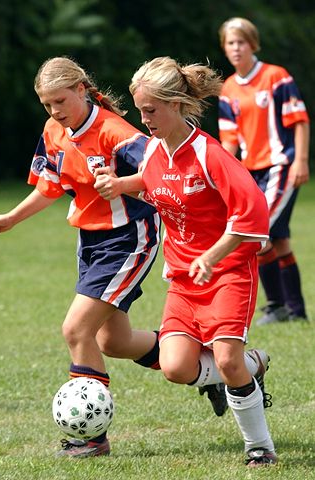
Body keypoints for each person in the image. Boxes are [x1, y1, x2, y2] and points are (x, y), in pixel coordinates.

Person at [94, 56, 277, 467]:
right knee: (176, 366)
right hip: (183, 279)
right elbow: (155, 181)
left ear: (176, 105)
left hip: (227, 274)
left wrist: (213, 256)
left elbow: (253, 213)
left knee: (225, 360)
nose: (144, 120)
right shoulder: (157, 149)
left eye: (151, 110)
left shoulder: (210, 155)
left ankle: (259, 448)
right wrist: (119, 184)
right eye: (140, 110)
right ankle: (253, 365)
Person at [0, 56, 164, 458]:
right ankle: (208, 368)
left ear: (82, 89)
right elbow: (49, 186)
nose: (54, 111)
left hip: (129, 239)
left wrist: (122, 186)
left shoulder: (116, 132)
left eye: (60, 101)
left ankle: (92, 439)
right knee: (114, 341)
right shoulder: (54, 130)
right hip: (90, 241)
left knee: (76, 331)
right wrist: (11, 218)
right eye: (47, 105)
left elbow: (162, 174)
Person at [218, 17, 310, 325]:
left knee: (255, 232)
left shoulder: (276, 77)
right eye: (230, 43)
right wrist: (220, 175)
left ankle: (276, 305)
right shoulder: (229, 88)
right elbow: (229, 140)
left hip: (280, 166)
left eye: (241, 42)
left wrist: (301, 160)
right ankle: (295, 310)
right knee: (279, 240)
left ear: (253, 44)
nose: (236, 48)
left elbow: (299, 120)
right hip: (251, 171)